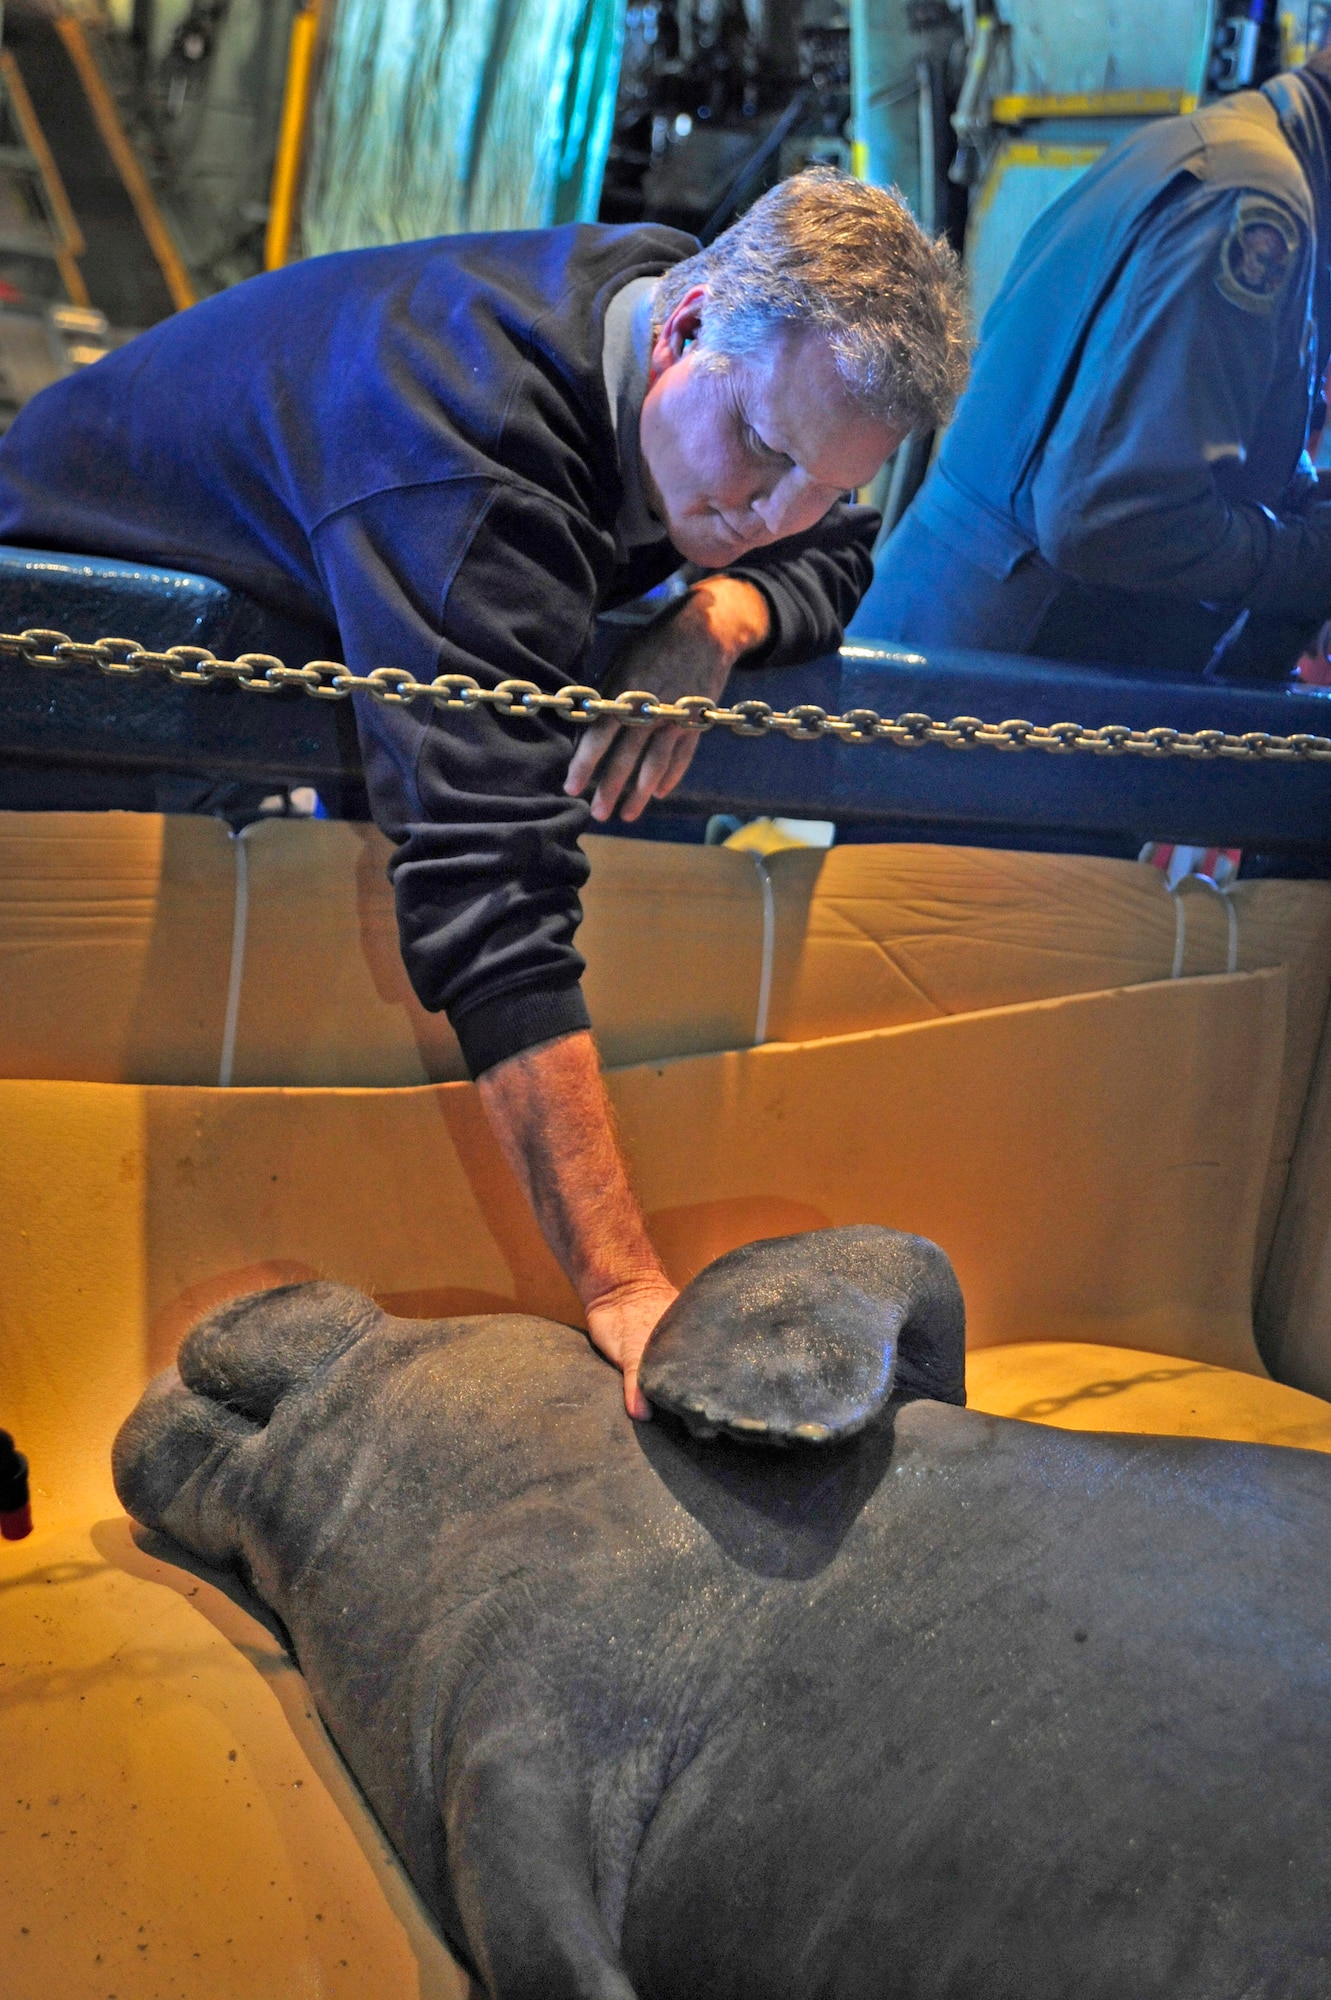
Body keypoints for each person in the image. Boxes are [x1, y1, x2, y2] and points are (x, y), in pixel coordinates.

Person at [0, 168, 967, 1416]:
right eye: (763, 453)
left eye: (820, 482)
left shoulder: (709, 345)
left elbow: (831, 545)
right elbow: (486, 887)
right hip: (50, 674)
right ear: (682, 330)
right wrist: (622, 1285)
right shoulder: (480, 444)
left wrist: (719, 613)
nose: (767, 513)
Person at [855, 52, 1331, 681]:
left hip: (960, 633)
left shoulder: (1216, 145)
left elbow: (1182, 431)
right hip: (1002, 681)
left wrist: (1297, 498)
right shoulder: (1253, 199)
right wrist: (1305, 562)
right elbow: (1112, 518)